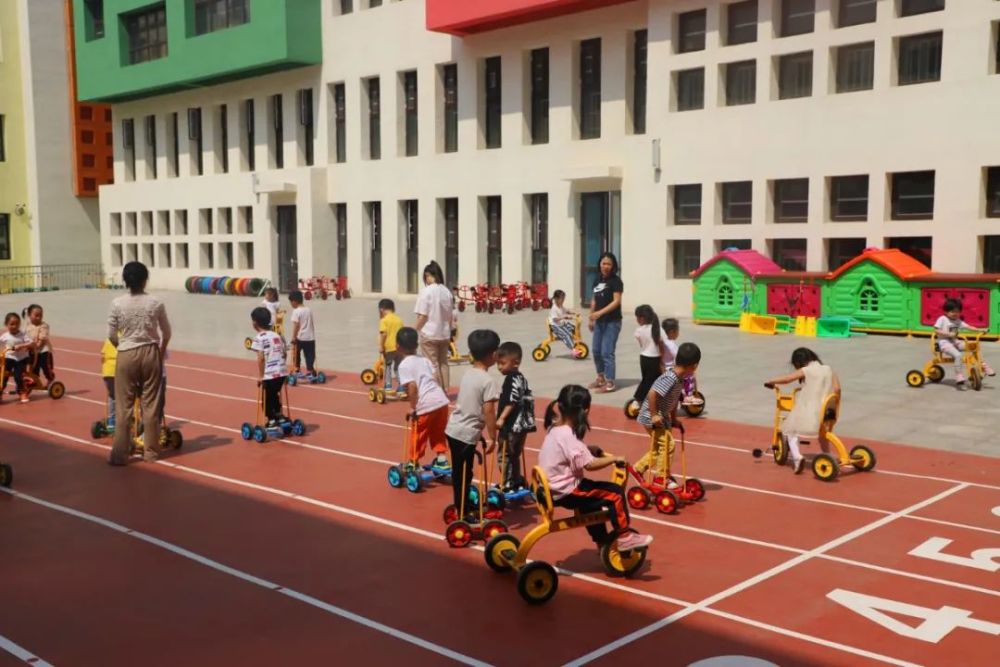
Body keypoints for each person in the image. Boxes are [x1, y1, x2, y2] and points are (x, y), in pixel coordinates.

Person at [537, 384, 653, 552]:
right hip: (566, 491)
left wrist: (588, 449)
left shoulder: (555, 427)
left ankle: (602, 541)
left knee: (591, 504)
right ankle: (625, 537)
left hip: (551, 487)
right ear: (585, 410)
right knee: (615, 493)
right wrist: (615, 459)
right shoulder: (568, 435)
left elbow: (568, 451)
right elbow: (589, 465)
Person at [107, 261, 171, 465]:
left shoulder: (117, 303)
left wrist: (122, 347)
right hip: (150, 351)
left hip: (126, 352)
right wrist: (159, 353)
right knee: (150, 405)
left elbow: (111, 335)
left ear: (125, 280)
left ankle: (120, 454)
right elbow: (166, 333)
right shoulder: (155, 302)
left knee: (123, 406)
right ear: (145, 279)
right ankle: (151, 452)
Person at [444, 329, 500, 517]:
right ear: (494, 355)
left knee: (463, 473)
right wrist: (493, 437)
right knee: (462, 475)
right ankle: (462, 512)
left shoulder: (468, 373)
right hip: (465, 434)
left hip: (454, 429)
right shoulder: (488, 381)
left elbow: (471, 405)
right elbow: (489, 411)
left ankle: (463, 505)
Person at [764, 348, 841, 474]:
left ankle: (797, 457)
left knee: (788, 428)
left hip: (811, 410)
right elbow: (837, 389)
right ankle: (827, 455)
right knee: (823, 433)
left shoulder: (806, 370)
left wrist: (771, 381)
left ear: (799, 362)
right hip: (828, 410)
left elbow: (787, 379)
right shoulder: (829, 369)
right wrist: (835, 403)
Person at [636, 343, 701, 485]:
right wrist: (654, 415)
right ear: (693, 366)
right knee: (668, 445)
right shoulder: (671, 377)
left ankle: (638, 469)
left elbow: (673, 398)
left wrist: (673, 418)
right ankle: (661, 477)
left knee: (659, 449)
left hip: (663, 417)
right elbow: (653, 394)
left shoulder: (680, 378)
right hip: (651, 417)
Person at [397, 327, 450, 470]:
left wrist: (413, 408)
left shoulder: (404, 365)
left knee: (418, 434)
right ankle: (441, 459)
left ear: (398, 347)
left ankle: (414, 463)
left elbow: (412, 387)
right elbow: (435, 377)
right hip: (441, 401)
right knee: (438, 431)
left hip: (425, 404)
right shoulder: (424, 360)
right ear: (416, 345)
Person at [496, 341, 536, 491]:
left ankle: (507, 482)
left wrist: (501, 418)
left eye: (502, 363)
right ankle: (516, 479)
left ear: (515, 362)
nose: (499, 367)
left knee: (504, 454)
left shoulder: (510, 380)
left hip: (511, 425)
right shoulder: (521, 378)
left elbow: (511, 401)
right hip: (522, 425)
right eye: (498, 364)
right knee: (514, 454)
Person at [934, 298, 995, 390]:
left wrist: (980, 330)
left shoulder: (958, 320)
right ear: (946, 311)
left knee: (974, 347)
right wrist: (948, 334)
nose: (955, 314)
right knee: (958, 355)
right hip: (944, 343)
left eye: (958, 312)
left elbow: (969, 327)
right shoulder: (942, 319)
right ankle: (959, 376)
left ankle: (984, 367)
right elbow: (936, 330)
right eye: (952, 311)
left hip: (955, 342)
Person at [414, 260, 454, 390]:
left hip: (429, 334)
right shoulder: (446, 291)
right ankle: (445, 389)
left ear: (428, 275)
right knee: (443, 363)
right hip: (444, 333)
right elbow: (449, 316)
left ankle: (436, 390)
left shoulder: (426, 292)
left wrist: (415, 330)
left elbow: (423, 315)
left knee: (432, 364)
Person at [588, 252, 624, 393]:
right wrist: (591, 317)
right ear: (600, 264)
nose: (606, 266)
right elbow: (594, 299)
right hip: (599, 322)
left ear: (613, 265)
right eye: (604, 263)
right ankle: (600, 377)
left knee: (607, 352)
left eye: (609, 264)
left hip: (612, 322)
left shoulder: (616, 281)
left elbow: (616, 301)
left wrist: (600, 313)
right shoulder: (597, 279)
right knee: (596, 350)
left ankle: (610, 382)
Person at [250, 307, 289, 426]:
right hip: (281, 373)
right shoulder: (277, 335)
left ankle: (271, 419)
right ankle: (279, 415)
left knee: (266, 397)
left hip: (269, 375)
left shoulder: (258, 338)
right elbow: (285, 353)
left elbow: (261, 358)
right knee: (274, 394)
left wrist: (261, 376)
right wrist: (283, 368)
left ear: (255, 323)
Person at [662, 318, 702, 407]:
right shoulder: (671, 345)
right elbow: (679, 358)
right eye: (678, 331)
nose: (678, 333)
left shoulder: (662, 342)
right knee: (689, 375)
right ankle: (688, 396)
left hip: (663, 367)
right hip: (670, 369)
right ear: (672, 332)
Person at [632, 305, 664, 408]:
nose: (637, 320)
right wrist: (662, 360)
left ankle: (648, 400)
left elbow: (641, 344)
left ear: (642, 318)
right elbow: (661, 345)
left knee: (647, 379)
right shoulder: (658, 329)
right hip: (655, 358)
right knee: (651, 381)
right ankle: (638, 400)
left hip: (644, 358)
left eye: (637, 318)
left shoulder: (639, 330)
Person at [1, 313, 35, 403]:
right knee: (3, 375)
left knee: (18, 376)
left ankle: (22, 392)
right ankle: (0, 391)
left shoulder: (23, 335)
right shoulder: (5, 336)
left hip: (21, 359)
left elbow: (32, 343)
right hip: (9, 358)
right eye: (12, 324)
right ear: (6, 324)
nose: (14, 326)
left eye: (17, 324)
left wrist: (21, 346)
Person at [289, 290, 318, 379]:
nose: (291, 304)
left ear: (294, 301)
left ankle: (297, 370)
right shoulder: (308, 310)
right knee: (310, 355)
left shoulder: (296, 311)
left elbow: (296, 325)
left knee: (296, 353)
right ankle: (309, 370)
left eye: (291, 302)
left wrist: (293, 337)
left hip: (300, 337)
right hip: (310, 337)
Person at [23, 304, 54, 385]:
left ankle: (50, 378)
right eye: (36, 315)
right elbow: (24, 337)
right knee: (33, 367)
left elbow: (42, 340)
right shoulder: (27, 326)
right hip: (32, 351)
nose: (39, 317)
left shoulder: (44, 326)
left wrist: (35, 346)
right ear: (29, 315)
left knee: (45, 366)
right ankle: (34, 380)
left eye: (41, 315)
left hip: (43, 351)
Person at [378, 298, 404, 394]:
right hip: (399, 348)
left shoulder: (384, 320)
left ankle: (388, 385)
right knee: (398, 367)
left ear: (381, 309)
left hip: (389, 348)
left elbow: (383, 334)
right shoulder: (399, 320)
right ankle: (401, 385)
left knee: (388, 366)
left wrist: (381, 345)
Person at [548, 290, 580, 356]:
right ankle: (573, 350)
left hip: (561, 324)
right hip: (555, 326)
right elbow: (555, 319)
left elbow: (567, 311)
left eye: (564, 299)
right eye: (562, 299)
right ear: (556, 299)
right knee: (567, 335)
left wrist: (574, 313)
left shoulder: (560, 306)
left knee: (573, 327)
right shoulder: (554, 308)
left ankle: (574, 341)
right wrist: (564, 317)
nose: (563, 300)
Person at [101, 337, 118, 432]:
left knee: (112, 395)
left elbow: (102, 356)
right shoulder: (124, 338)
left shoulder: (108, 339)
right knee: (122, 396)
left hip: (107, 371)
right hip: (118, 370)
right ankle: (119, 420)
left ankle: (111, 421)